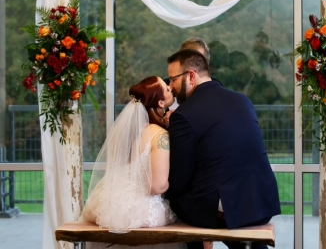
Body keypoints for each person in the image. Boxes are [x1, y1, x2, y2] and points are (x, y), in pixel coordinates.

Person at [165, 49, 281, 249]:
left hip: (227, 209)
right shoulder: (242, 100)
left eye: (172, 79)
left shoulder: (183, 115)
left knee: (173, 200)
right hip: (262, 202)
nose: (170, 86)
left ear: (191, 76)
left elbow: (178, 180)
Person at [81, 76, 182, 249]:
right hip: (143, 210)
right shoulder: (159, 136)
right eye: (166, 88)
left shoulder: (125, 134)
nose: (170, 89)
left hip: (111, 204)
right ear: (159, 103)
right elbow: (157, 187)